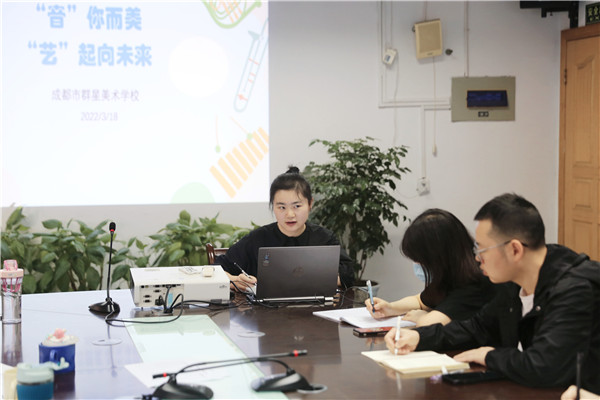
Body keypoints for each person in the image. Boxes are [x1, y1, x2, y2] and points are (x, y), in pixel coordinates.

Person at [385, 193, 600, 392]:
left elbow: (543, 366)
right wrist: (418, 338)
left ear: (514, 249)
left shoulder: (575, 290)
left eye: (482, 249)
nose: (477, 258)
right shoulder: (514, 285)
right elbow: (478, 328)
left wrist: (488, 355)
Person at [216, 166, 354, 291]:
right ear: (273, 206)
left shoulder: (324, 238)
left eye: (297, 206)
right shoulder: (258, 238)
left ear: (310, 204)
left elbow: (348, 275)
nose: (290, 214)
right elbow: (216, 269)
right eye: (282, 207)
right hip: (265, 310)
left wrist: (309, 280)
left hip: (315, 307)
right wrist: (234, 280)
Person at [365, 209, 495, 326]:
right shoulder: (449, 275)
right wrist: (390, 308)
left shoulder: (475, 282)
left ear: (438, 257)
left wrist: (422, 318)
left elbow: (432, 323)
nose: (417, 265)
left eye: (420, 260)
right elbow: (420, 301)